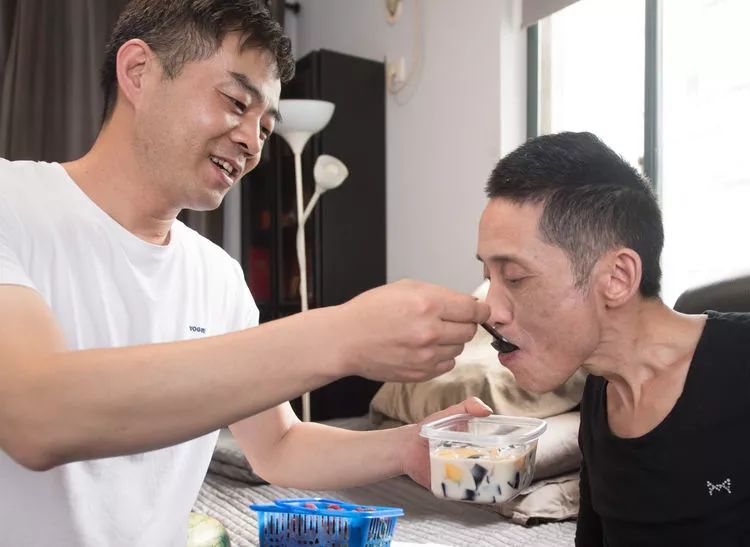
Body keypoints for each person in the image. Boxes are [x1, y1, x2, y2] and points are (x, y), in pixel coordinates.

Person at [0, 1, 491, 545]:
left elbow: (278, 445)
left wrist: (408, 447)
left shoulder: (219, 276)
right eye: (236, 103)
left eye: (266, 126)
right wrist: (342, 335)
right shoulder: (11, 202)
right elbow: (34, 414)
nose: (254, 143)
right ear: (138, 72)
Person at [476, 131, 750, 546]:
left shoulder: (741, 364)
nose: (489, 309)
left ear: (617, 277)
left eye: (513, 277)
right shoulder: (600, 393)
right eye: (488, 277)